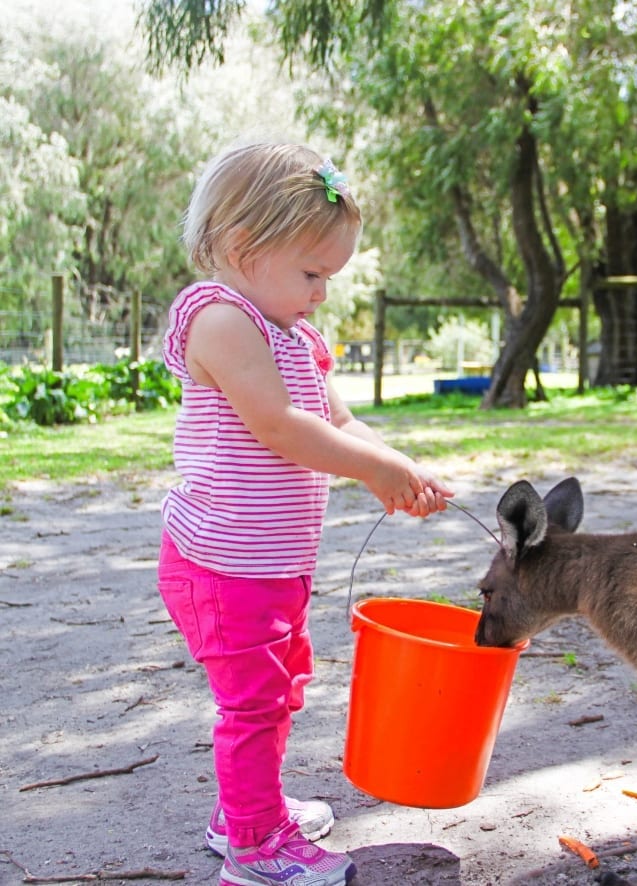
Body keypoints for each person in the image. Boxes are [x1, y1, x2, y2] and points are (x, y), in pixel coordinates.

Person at [157, 141, 452, 886]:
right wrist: (374, 469)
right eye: (313, 273)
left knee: (281, 687)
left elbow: (340, 425)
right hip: (223, 563)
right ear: (241, 248)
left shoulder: (297, 335)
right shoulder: (221, 321)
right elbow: (281, 426)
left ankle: (244, 810)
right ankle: (256, 851)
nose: (322, 292)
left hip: (273, 562)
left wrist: (400, 467)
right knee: (253, 703)